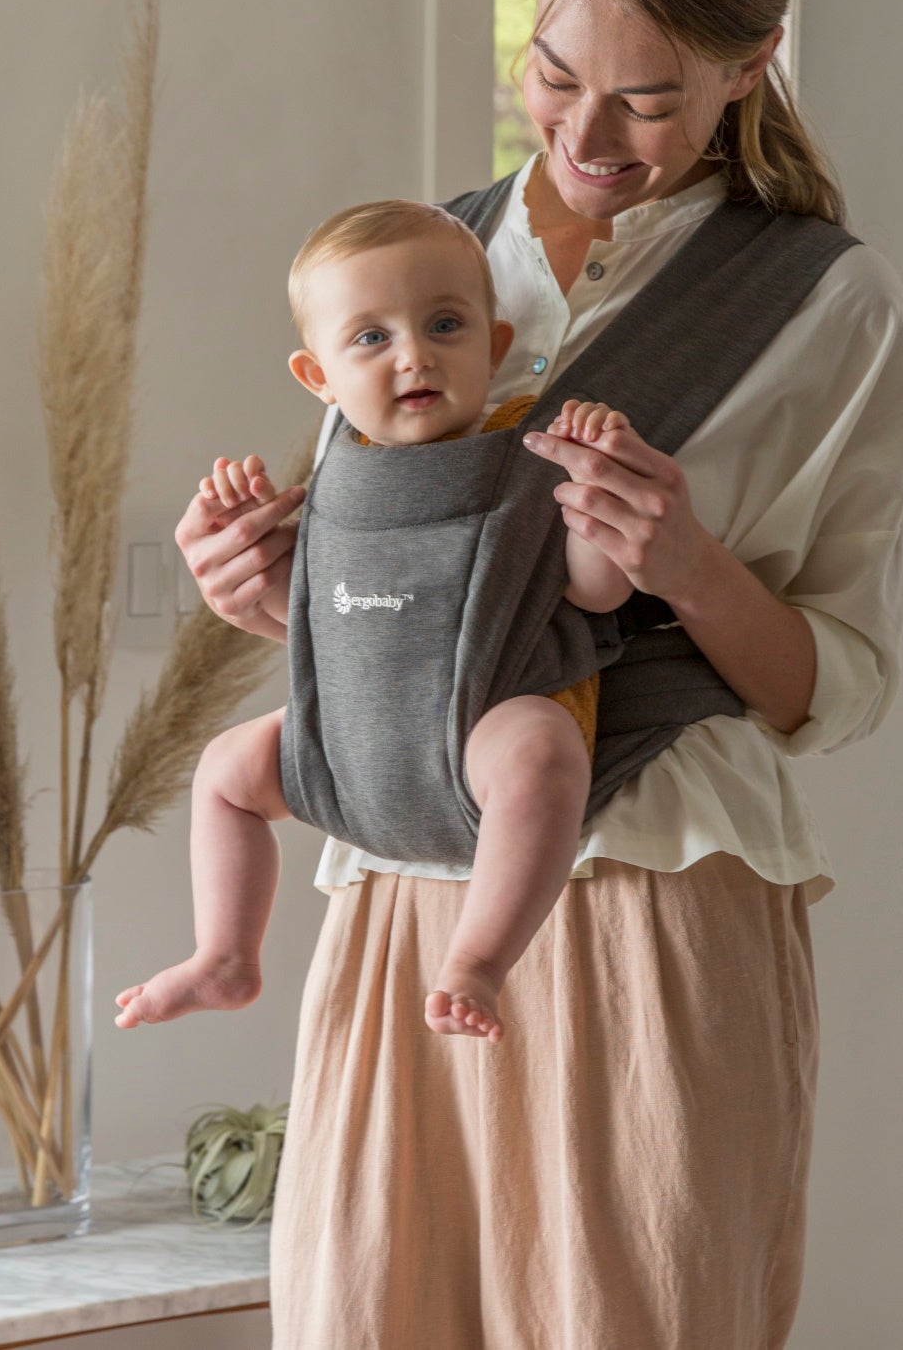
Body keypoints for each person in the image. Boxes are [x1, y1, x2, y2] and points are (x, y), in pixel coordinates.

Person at [175, 0, 903, 1343]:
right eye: (555, 75)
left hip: (655, 890)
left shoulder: (825, 305)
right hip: (403, 906)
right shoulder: (428, 257)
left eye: (648, 98)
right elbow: (397, 604)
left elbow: (836, 683)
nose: (588, 133)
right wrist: (265, 593)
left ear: (750, 63)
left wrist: (687, 567)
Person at [113, 198, 637, 1047]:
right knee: (224, 770)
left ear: (494, 346)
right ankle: (224, 954)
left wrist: (596, 495)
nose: (414, 356)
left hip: (480, 736)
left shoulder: (532, 447)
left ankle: (476, 960)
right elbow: (333, 623)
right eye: (370, 338)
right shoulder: (338, 476)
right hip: (350, 749)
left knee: (543, 748)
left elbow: (599, 594)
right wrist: (257, 560)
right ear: (318, 378)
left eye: (444, 324)